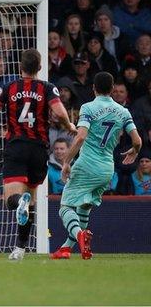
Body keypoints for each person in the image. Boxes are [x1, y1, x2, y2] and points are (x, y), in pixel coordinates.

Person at [0, 48, 76, 261]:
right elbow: (60, 112)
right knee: (31, 200)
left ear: (20, 67)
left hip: (16, 147)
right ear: (40, 68)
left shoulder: (9, 87)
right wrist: (67, 124)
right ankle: (20, 248)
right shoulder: (47, 88)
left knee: (11, 201)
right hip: (39, 150)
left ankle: (20, 213)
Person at [51, 72, 142, 260]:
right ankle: (67, 248)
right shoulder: (123, 112)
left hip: (87, 165)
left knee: (65, 207)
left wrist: (66, 161)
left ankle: (79, 235)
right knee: (84, 206)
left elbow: (81, 136)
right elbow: (138, 141)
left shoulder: (88, 108)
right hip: (107, 168)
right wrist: (135, 151)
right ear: (112, 90)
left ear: (94, 88)